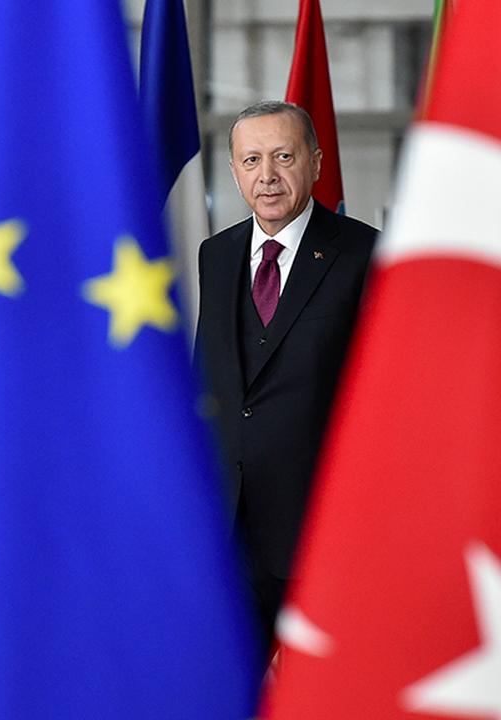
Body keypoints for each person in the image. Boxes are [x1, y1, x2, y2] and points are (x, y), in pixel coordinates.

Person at [194, 100, 378, 661]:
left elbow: (379, 402)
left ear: (316, 163)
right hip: (227, 534)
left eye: (283, 156)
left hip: (321, 533)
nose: (267, 175)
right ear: (233, 172)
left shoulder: (365, 253)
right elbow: (213, 383)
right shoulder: (216, 255)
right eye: (251, 160)